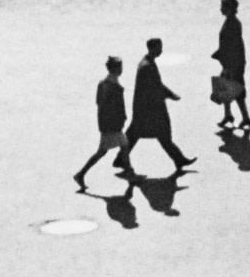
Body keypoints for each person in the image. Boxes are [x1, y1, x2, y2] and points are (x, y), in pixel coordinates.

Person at [127, 39, 194, 174]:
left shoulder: (147, 63)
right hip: (150, 109)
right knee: (160, 134)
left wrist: (170, 94)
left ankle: (179, 159)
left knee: (137, 133)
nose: (161, 50)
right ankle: (179, 159)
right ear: (152, 48)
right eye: (159, 48)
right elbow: (156, 87)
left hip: (145, 108)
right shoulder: (147, 66)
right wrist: (170, 95)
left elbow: (156, 85)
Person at [74, 56, 133, 188]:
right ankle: (81, 174)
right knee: (103, 151)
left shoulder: (103, 84)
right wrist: (119, 119)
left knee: (124, 145)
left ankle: (129, 171)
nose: (121, 69)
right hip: (112, 126)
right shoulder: (113, 86)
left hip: (109, 124)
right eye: (120, 67)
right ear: (115, 69)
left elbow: (99, 104)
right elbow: (113, 107)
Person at [211, 0, 250, 130]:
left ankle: (244, 117)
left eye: (222, 7)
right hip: (231, 62)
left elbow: (233, 46)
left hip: (233, 64)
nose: (220, 9)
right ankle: (229, 115)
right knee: (225, 87)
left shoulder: (232, 24)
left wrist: (229, 66)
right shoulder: (231, 22)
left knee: (236, 90)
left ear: (228, 8)